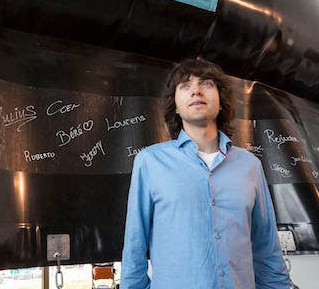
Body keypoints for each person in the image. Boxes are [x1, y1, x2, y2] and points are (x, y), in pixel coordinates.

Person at [121, 58, 290, 288]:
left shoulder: (250, 165)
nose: (196, 91)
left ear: (221, 102)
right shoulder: (150, 163)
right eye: (185, 86)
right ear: (176, 107)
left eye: (206, 84)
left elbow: (267, 249)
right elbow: (134, 248)